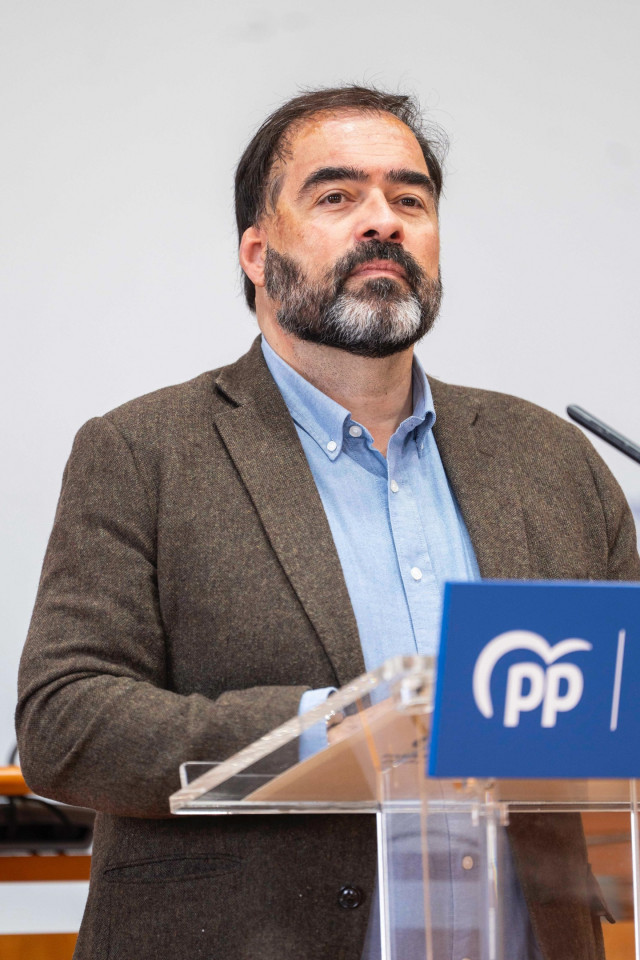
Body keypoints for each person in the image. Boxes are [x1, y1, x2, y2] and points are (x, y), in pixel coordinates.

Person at [16, 86, 639, 960]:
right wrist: (332, 728)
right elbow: (65, 725)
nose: (383, 221)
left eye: (410, 200)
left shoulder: (551, 456)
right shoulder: (143, 451)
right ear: (256, 252)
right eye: (337, 196)